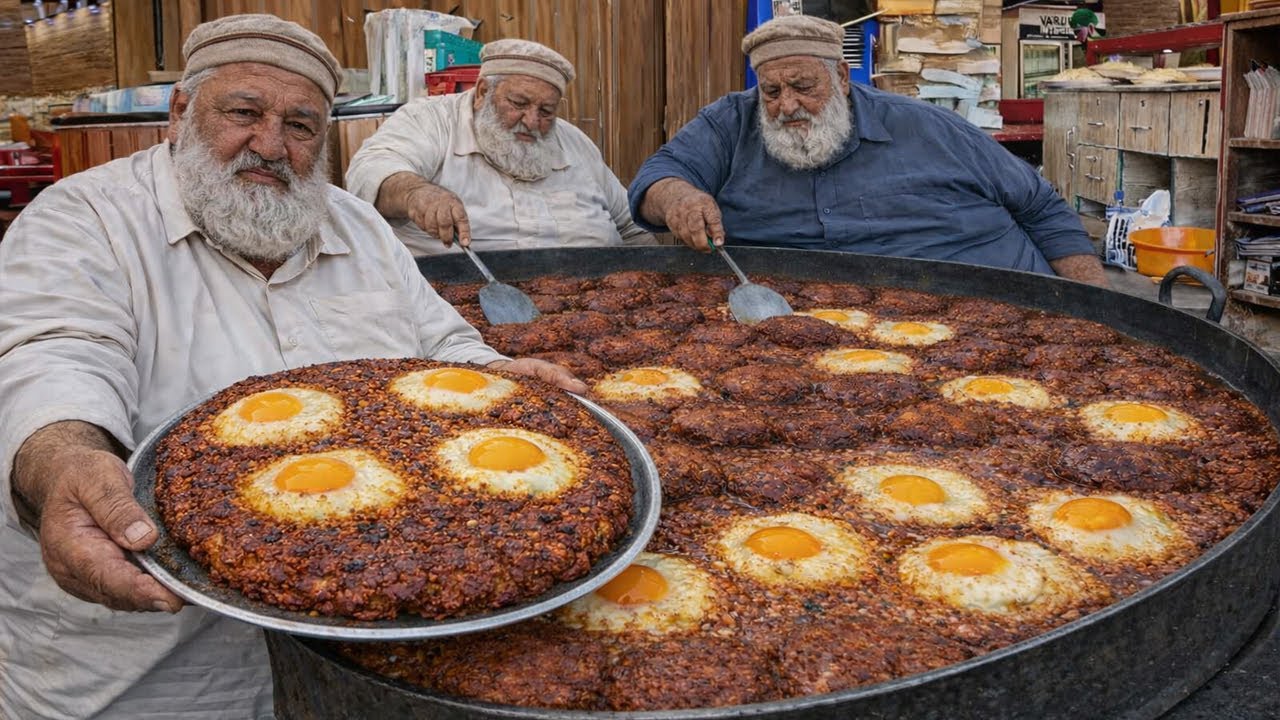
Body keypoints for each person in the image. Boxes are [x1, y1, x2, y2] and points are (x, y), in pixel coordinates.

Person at [0, 14, 586, 719]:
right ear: (181, 112)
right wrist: (63, 462)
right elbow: (49, 359)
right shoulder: (82, 219)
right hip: (154, 666)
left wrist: (497, 372)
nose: (271, 145)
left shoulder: (356, 225)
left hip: (359, 634)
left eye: (302, 126)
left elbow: (440, 341)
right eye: (243, 113)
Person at [628, 14, 1108, 286]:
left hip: (987, 296)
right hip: (801, 320)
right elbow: (658, 177)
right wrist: (679, 199)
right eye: (771, 92)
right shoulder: (731, 122)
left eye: (801, 86)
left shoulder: (928, 126)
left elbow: (1042, 209)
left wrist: (1098, 310)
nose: (786, 105)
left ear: (841, 77)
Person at [345, 38, 653, 256]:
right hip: (454, 310)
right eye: (519, 103)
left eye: (546, 112)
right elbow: (370, 171)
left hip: (594, 309)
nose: (532, 121)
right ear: (482, 92)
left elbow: (632, 228)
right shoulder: (430, 120)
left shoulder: (575, 143)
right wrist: (416, 193)